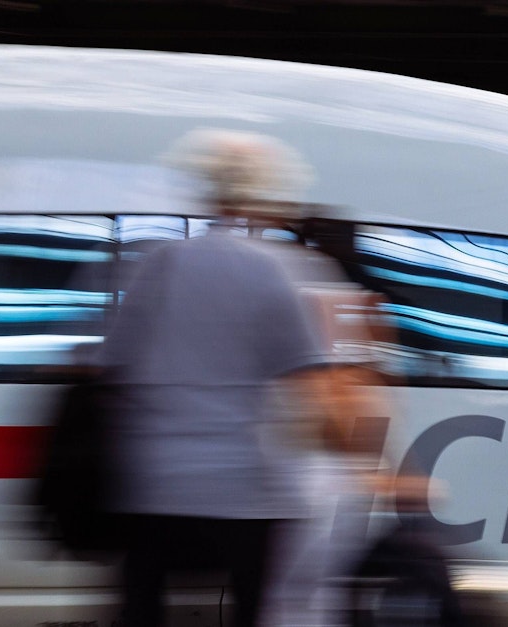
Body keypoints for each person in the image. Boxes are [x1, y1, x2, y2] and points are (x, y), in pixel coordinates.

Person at [99, 128, 353, 627]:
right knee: (251, 609)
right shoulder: (278, 270)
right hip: (245, 489)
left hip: (153, 483)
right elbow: (310, 382)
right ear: (269, 191)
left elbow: (112, 367)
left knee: (141, 609)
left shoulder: (159, 262)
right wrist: (350, 448)